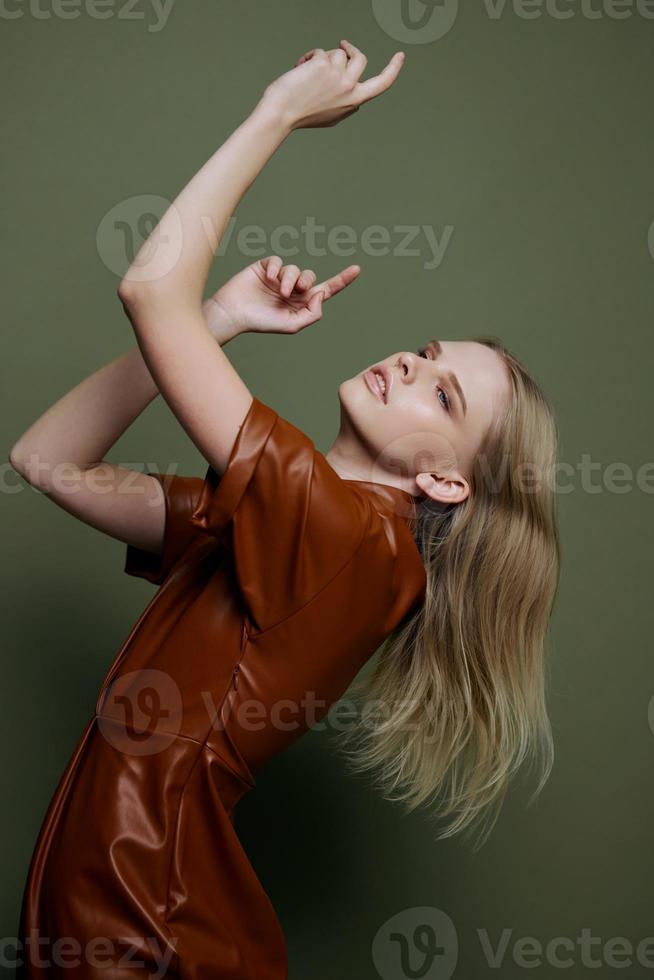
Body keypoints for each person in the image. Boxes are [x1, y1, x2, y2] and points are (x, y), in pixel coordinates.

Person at [10, 40, 560, 979]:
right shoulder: (295, 527)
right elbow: (49, 460)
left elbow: (148, 287)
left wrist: (278, 113)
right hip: (123, 925)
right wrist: (215, 323)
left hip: (142, 937)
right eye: (430, 351)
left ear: (446, 482)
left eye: (445, 400)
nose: (413, 367)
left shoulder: (344, 540)